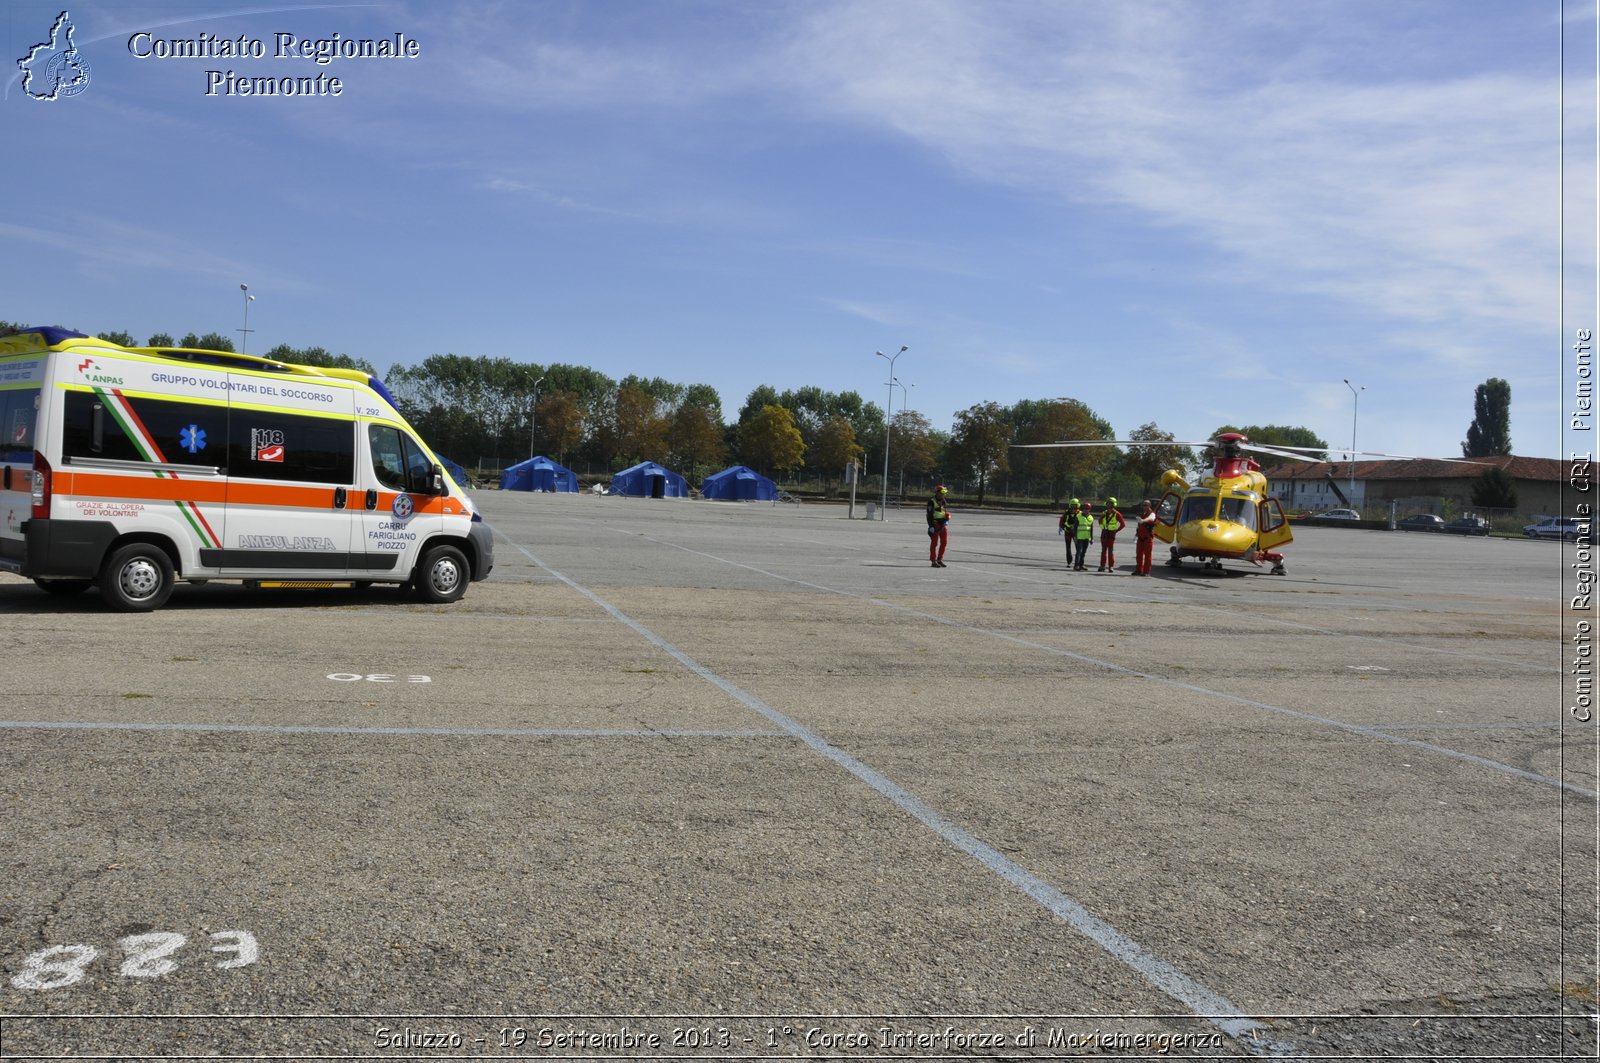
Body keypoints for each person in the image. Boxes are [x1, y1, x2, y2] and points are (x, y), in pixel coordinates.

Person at [1097, 496, 1125, 571]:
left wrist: (1116, 530)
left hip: (1111, 534)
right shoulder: (1104, 513)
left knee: (1110, 551)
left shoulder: (1117, 514)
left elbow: (1123, 524)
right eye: (1108, 503)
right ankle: (1102, 566)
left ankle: (1110, 566)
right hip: (1104, 533)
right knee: (1103, 550)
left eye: (1110, 504)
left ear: (1113, 504)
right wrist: (1103, 527)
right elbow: (1099, 521)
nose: (1108, 505)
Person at [926, 485, 951, 567]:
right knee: (934, 543)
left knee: (944, 542)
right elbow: (929, 515)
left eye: (944, 493)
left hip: (943, 524)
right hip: (935, 524)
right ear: (937, 493)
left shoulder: (944, 501)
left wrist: (947, 518)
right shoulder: (931, 501)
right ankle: (933, 561)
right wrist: (931, 526)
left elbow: (944, 512)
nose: (943, 495)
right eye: (941, 493)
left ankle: (939, 559)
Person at [1133, 499, 1157, 575]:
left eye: (1146, 505)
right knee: (1138, 555)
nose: (1144, 506)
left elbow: (1151, 518)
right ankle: (1138, 570)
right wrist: (1136, 535)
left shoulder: (1152, 514)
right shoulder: (1142, 513)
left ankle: (1146, 571)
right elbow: (1139, 526)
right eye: (1143, 505)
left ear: (1149, 506)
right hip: (1140, 538)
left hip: (1147, 538)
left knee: (1147, 556)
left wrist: (1143, 521)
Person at [1057, 499, 1081, 566]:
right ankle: (1069, 562)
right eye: (1072, 506)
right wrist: (1061, 527)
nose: (1073, 508)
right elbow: (1061, 521)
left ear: (1078, 506)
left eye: (1075, 506)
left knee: (1078, 548)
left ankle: (1078, 562)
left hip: (1076, 533)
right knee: (1068, 548)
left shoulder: (1080, 514)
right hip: (1068, 532)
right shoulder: (1066, 513)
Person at [1072, 501, 1094, 570]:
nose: (1085, 510)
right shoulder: (1078, 516)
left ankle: (1081, 565)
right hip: (1079, 537)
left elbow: (1091, 529)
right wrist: (1075, 537)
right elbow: (1075, 528)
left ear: (1089, 509)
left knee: (1083, 552)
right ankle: (1076, 565)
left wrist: (1091, 538)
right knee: (1078, 552)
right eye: (1084, 509)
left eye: (1087, 509)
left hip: (1086, 538)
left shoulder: (1091, 518)